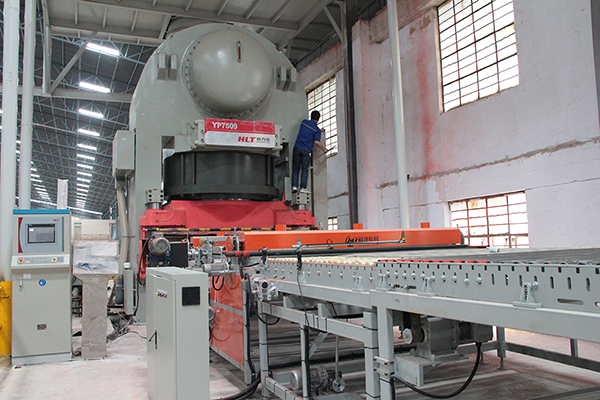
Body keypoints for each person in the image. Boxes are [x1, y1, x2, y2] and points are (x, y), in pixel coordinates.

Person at [291, 110, 329, 194]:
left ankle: (294, 186)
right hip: (306, 151)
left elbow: (308, 131)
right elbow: (317, 142)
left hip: (297, 148)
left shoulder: (304, 123)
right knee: (304, 170)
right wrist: (324, 149)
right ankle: (303, 188)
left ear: (311, 116)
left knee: (296, 168)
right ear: (318, 119)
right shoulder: (316, 130)